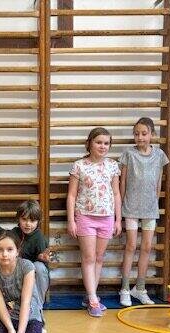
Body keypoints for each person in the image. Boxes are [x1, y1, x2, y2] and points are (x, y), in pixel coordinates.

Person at [66, 127, 121, 317]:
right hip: (85, 216)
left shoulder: (112, 165)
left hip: (107, 217)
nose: (102, 146)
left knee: (99, 258)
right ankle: (92, 299)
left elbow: (116, 193)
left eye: (106, 143)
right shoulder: (79, 166)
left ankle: (92, 295)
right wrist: (71, 220)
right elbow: (72, 195)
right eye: (98, 142)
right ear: (89, 143)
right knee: (88, 258)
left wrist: (118, 219)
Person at [118, 117, 169, 307]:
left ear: (152, 134)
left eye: (144, 133)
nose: (140, 137)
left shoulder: (160, 155)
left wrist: (154, 201)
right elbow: (123, 181)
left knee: (147, 247)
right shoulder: (128, 154)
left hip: (150, 208)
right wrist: (121, 206)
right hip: (131, 206)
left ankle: (140, 288)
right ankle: (124, 288)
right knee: (131, 245)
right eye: (136, 134)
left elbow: (158, 180)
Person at [0, 200, 53, 303]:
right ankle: (9, 300)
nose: (28, 224)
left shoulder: (39, 238)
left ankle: (37, 304)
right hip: (17, 273)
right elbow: (1, 233)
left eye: (32, 221)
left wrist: (41, 258)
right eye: (24, 219)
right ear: (18, 218)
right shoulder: (15, 232)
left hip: (31, 274)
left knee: (39, 267)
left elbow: (43, 271)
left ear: (38, 221)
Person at [0, 230, 45, 333]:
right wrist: (11, 331)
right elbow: (1, 307)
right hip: (10, 316)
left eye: (10, 249)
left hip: (30, 315)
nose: (5, 254)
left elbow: (26, 302)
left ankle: (38, 331)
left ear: (17, 251)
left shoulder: (27, 267)